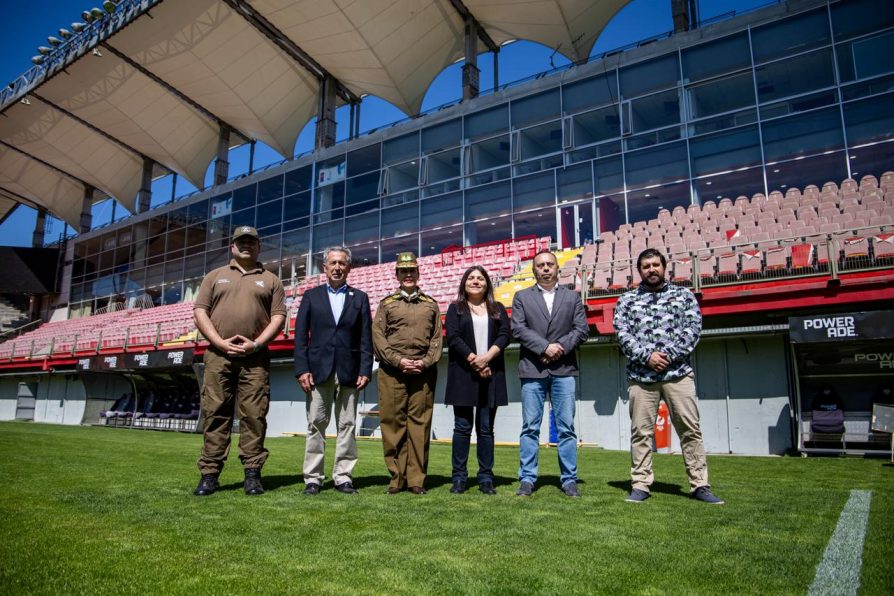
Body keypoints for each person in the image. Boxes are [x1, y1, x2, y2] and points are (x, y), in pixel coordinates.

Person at [613, 248, 723, 505]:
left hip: (678, 374)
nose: (651, 269)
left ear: (665, 267)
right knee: (641, 432)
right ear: (639, 271)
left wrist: (668, 356)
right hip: (641, 377)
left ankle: (700, 484)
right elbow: (623, 334)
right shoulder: (627, 300)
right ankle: (641, 484)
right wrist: (647, 357)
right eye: (645, 266)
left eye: (655, 264)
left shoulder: (683, 295)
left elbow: (693, 330)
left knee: (690, 430)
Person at [192, 226, 286, 496]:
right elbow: (200, 312)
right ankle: (209, 474)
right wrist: (219, 342)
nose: (246, 246)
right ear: (232, 246)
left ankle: (252, 474)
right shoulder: (214, 276)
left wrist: (256, 344)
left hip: (255, 358)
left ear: (258, 247)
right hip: (218, 356)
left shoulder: (270, 280)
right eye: (241, 242)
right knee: (215, 413)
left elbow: (278, 317)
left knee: (254, 416)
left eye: (251, 242)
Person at [293, 246, 373, 495]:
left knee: (347, 424)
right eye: (333, 263)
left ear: (349, 268)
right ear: (324, 268)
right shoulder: (311, 296)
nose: (337, 267)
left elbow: (365, 339)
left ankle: (343, 476)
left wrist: (365, 369)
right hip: (318, 370)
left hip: (350, 370)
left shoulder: (360, 298)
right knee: (316, 423)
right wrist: (302, 369)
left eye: (342, 263)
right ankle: (313, 478)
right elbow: (300, 338)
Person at [511, 250, 589, 498]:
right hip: (532, 369)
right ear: (534, 270)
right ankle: (527, 478)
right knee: (530, 428)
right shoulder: (522, 297)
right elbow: (518, 329)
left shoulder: (572, 297)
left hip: (563, 369)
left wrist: (560, 348)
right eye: (541, 265)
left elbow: (581, 329)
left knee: (566, 428)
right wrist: (544, 347)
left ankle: (569, 480)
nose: (545, 268)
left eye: (550, 265)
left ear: (558, 268)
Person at [372, 252, 443, 495]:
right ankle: (397, 478)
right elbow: (378, 337)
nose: (408, 274)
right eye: (404, 271)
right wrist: (398, 360)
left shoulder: (430, 304)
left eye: (412, 270)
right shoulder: (386, 304)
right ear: (397, 275)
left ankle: (416, 480)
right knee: (393, 424)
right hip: (392, 371)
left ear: (418, 273)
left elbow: (437, 339)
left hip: (423, 372)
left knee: (419, 425)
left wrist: (424, 362)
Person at [444, 266, 511, 495]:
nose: (475, 281)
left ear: (487, 283)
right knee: (462, 429)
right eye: (471, 278)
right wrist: (475, 360)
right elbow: (452, 337)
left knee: (485, 430)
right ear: (464, 283)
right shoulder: (456, 309)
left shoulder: (497, 308)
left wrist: (487, 358)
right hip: (464, 374)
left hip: (490, 374)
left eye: (480, 278)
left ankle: (485, 478)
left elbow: (505, 335)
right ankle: (459, 478)